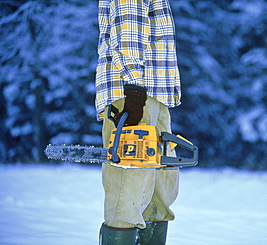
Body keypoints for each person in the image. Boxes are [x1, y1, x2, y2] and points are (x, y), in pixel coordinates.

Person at [95, 0, 181, 244]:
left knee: (159, 191)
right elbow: (128, 27)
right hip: (135, 91)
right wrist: (134, 87)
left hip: (154, 93)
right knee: (128, 188)